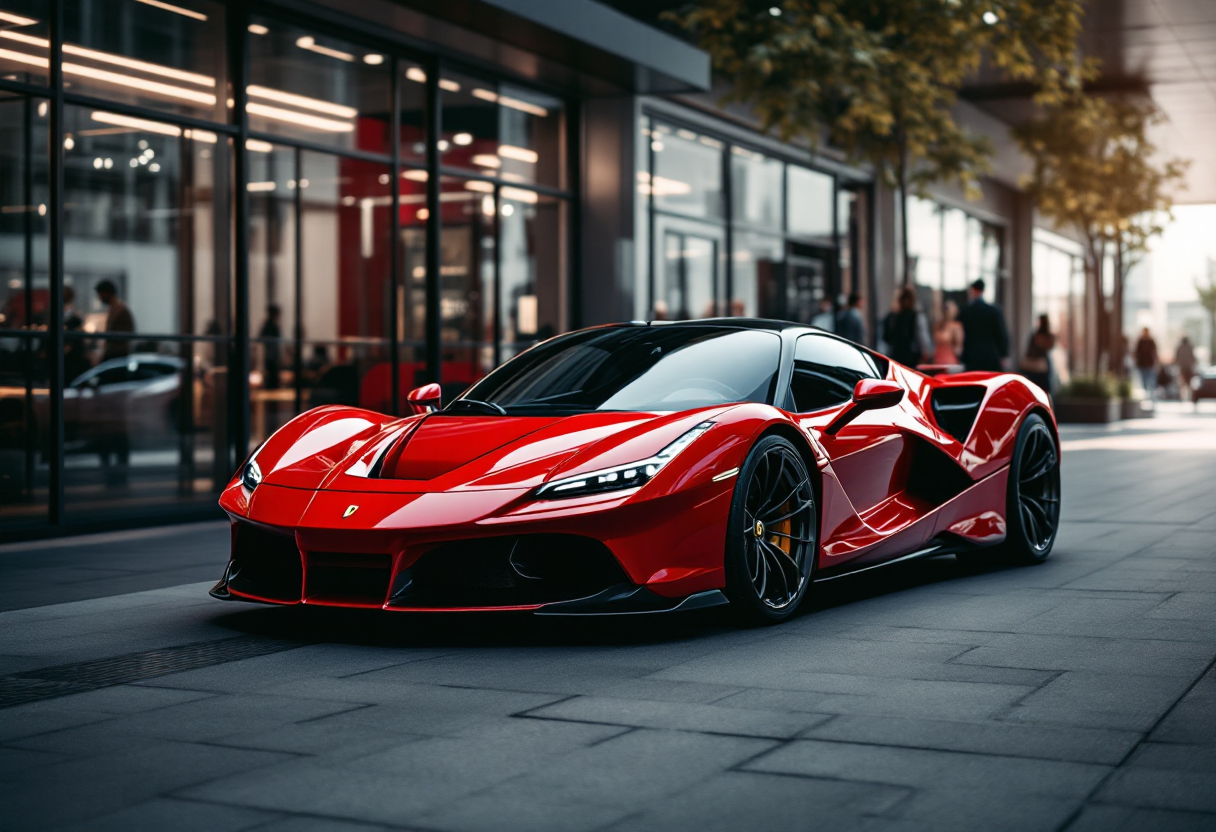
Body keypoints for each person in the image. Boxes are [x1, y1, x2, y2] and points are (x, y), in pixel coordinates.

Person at [958, 278, 1009, 372]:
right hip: (991, 356)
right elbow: (1001, 334)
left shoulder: (966, 312)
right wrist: (1003, 354)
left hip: (971, 357)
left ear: (973, 290)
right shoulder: (994, 311)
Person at [884, 286, 925, 367]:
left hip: (901, 353)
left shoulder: (896, 316)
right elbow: (920, 335)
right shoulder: (912, 315)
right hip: (907, 353)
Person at [94, 279, 134, 362]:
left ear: (106, 293)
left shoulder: (119, 310)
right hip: (115, 353)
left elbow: (127, 332)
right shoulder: (115, 309)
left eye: (100, 294)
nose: (99, 298)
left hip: (117, 354)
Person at [1021, 314, 1057, 395]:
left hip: (1036, 366)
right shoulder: (1047, 336)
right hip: (1040, 366)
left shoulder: (1036, 336)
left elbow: (1029, 350)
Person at [932, 299, 964, 365]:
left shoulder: (956, 327)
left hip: (949, 360)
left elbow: (959, 348)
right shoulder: (938, 325)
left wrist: (949, 348)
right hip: (937, 359)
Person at [259, 304, 283, 390]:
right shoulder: (270, 325)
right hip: (271, 356)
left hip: (270, 355)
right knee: (272, 377)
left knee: (271, 377)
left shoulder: (268, 325)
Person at [1135, 327, 1158, 402]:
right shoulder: (1140, 341)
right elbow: (1136, 352)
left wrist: (1156, 362)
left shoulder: (1151, 341)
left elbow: (1154, 352)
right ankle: (1146, 393)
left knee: (1150, 380)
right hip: (1142, 364)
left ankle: (1151, 394)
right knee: (1144, 380)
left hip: (1150, 364)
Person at [1176, 335, 1197, 402]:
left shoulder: (1179, 347)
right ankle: (1190, 396)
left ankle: (1182, 397)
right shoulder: (1190, 347)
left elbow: (1176, 358)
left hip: (1182, 367)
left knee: (1182, 383)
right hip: (1189, 367)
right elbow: (1193, 357)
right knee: (1189, 383)